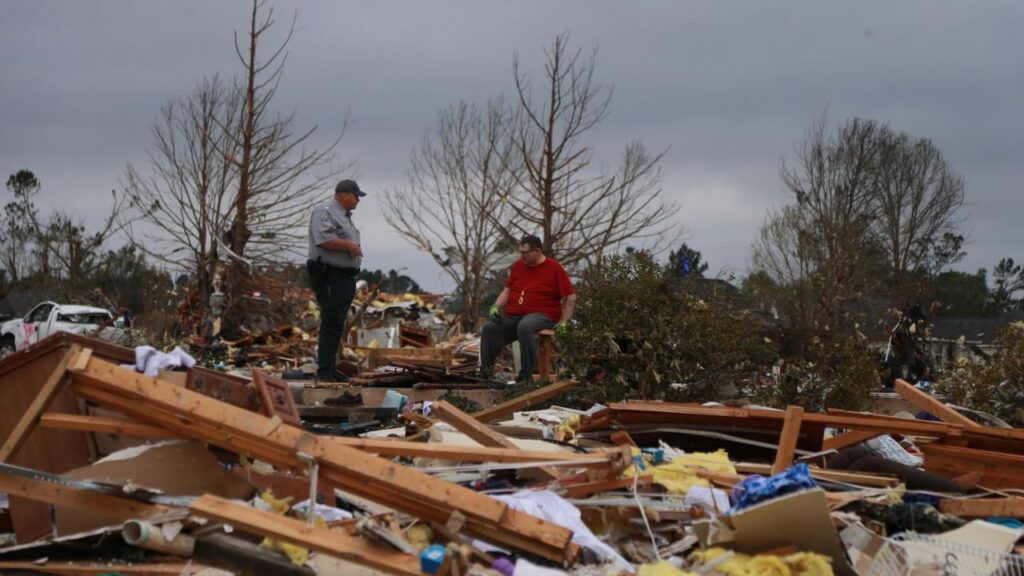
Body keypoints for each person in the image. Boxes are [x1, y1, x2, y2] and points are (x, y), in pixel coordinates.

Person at [481, 234, 576, 383]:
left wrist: (565, 322)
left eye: (526, 253)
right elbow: (507, 290)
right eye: (520, 252)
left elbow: (571, 297)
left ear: (537, 251)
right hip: (515, 314)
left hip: (544, 314)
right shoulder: (518, 266)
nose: (522, 256)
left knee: (525, 326)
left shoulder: (554, 268)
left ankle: (526, 376)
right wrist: (495, 306)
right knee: (489, 328)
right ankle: (485, 373)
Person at [307, 179, 365, 382]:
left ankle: (330, 368)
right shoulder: (325, 211)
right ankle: (324, 371)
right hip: (330, 274)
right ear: (345, 195)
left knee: (337, 324)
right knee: (331, 322)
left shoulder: (344, 216)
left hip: (344, 276)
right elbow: (323, 239)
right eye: (356, 196)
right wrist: (350, 246)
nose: (358, 200)